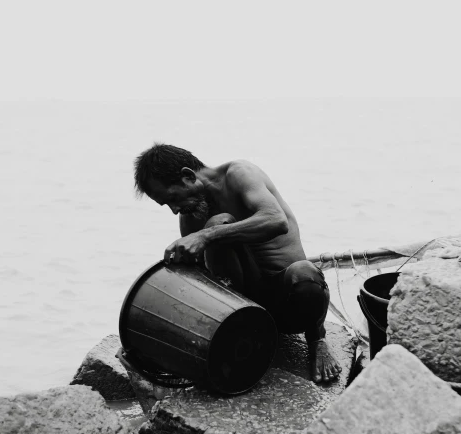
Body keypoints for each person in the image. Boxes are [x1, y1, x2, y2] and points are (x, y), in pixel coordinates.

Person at [133, 143, 341, 384]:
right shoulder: (190, 216)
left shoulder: (240, 175)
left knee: (304, 272)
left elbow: (276, 220)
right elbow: (197, 280)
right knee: (216, 223)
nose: (174, 209)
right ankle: (243, 335)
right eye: (166, 205)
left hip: (289, 303)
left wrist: (206, 235)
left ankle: (317, 340)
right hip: (246, 313)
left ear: (188, 176)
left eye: (173, 198)